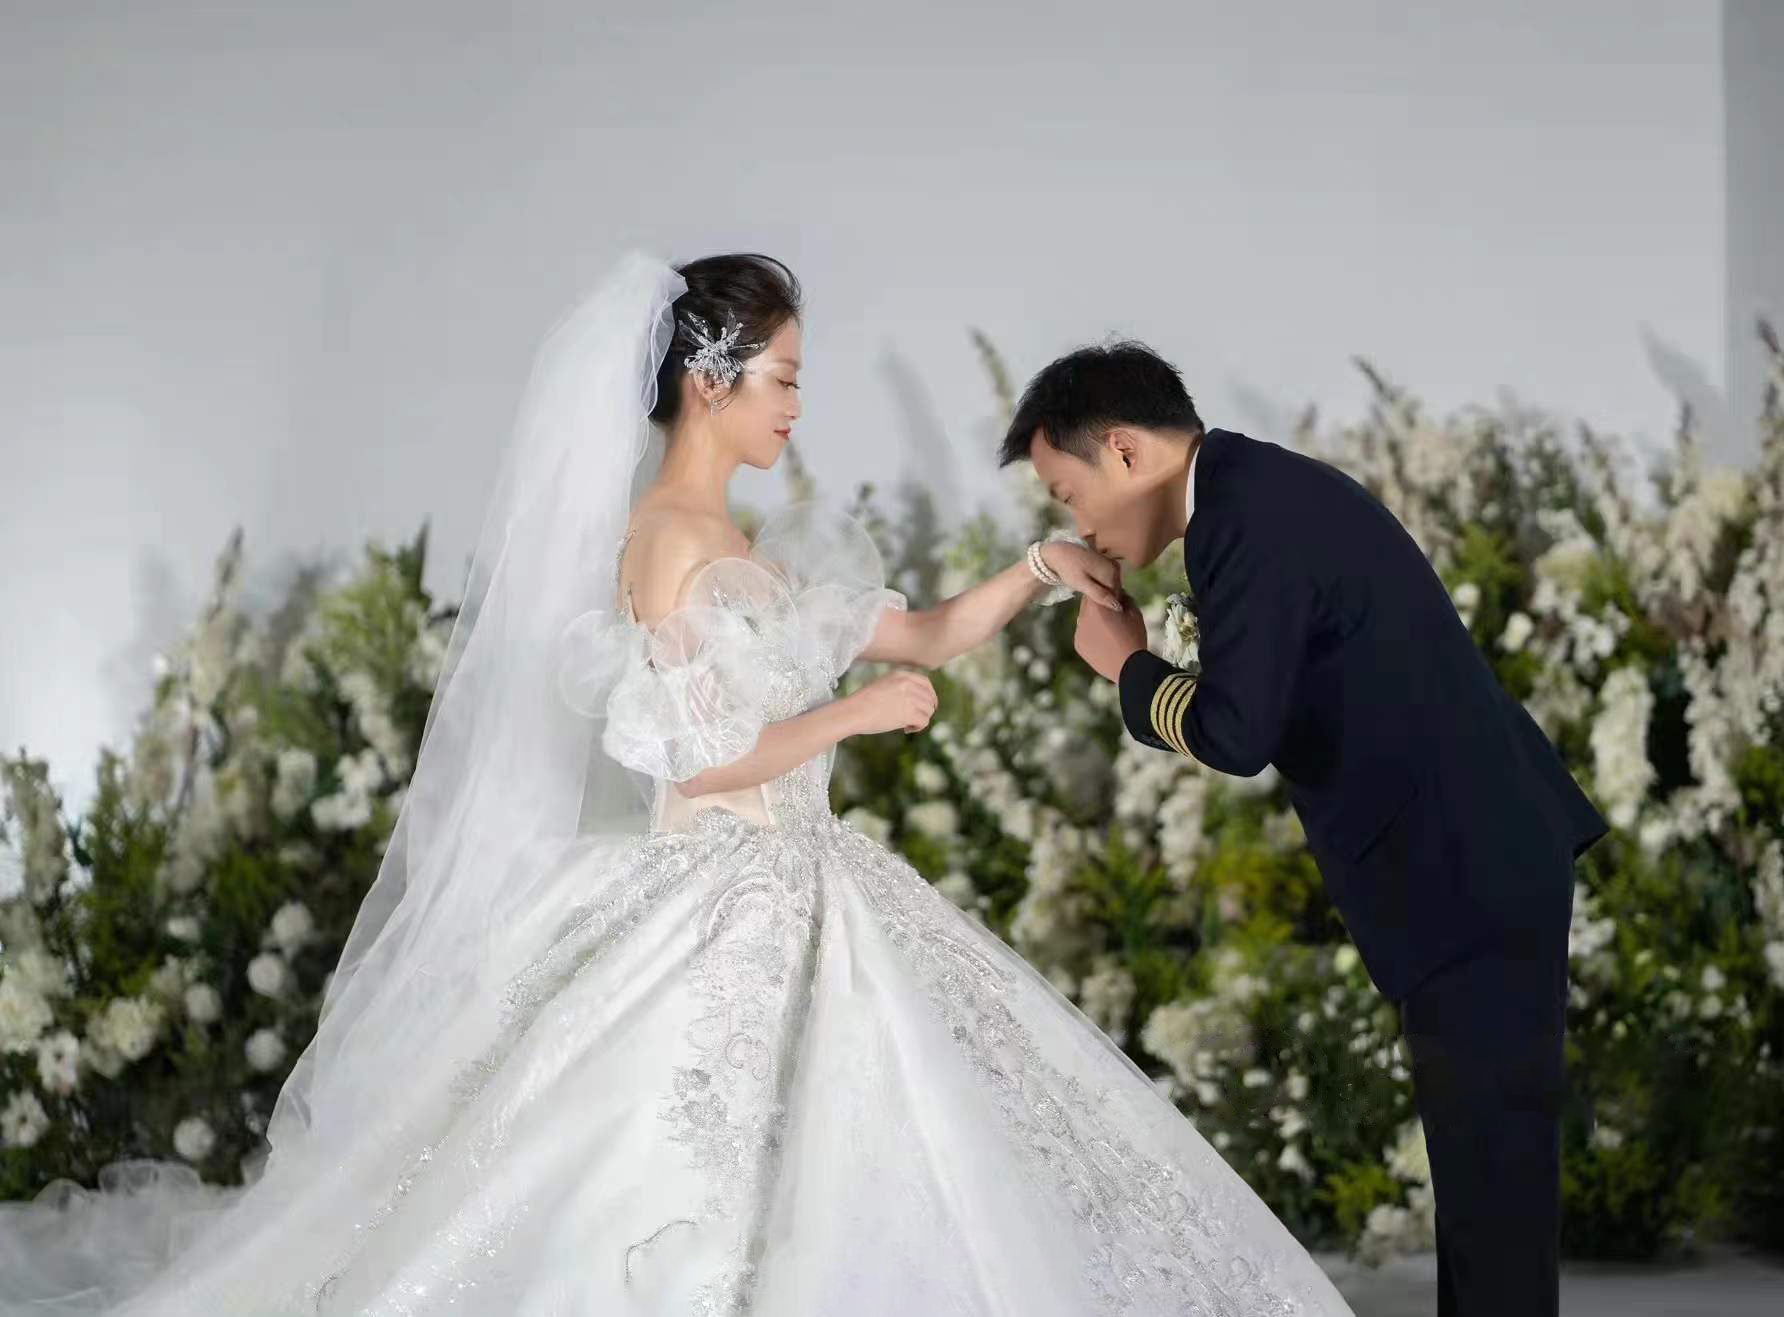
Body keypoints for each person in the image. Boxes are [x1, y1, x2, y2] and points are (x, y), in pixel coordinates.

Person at [0, 255, 1357, 1316]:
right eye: (782, 379)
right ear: (708, 382)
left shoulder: (738, 540)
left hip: (801, 880)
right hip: (712, 893)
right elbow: (699, 762)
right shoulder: (661, 541)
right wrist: (850, 716)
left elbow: (925, 634)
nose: (795, 406)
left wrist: (1041, 571)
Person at [1001, 341, 1609, 1317]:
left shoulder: (1241, 519)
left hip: (1467, 870)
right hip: (1472, 859)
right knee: (1488, 1190)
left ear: (1122, 450)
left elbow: (1237, 735)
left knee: (1493, 1195)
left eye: (1067, 494)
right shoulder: (1249, 492)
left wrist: (1128, 668)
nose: (1079, 524)